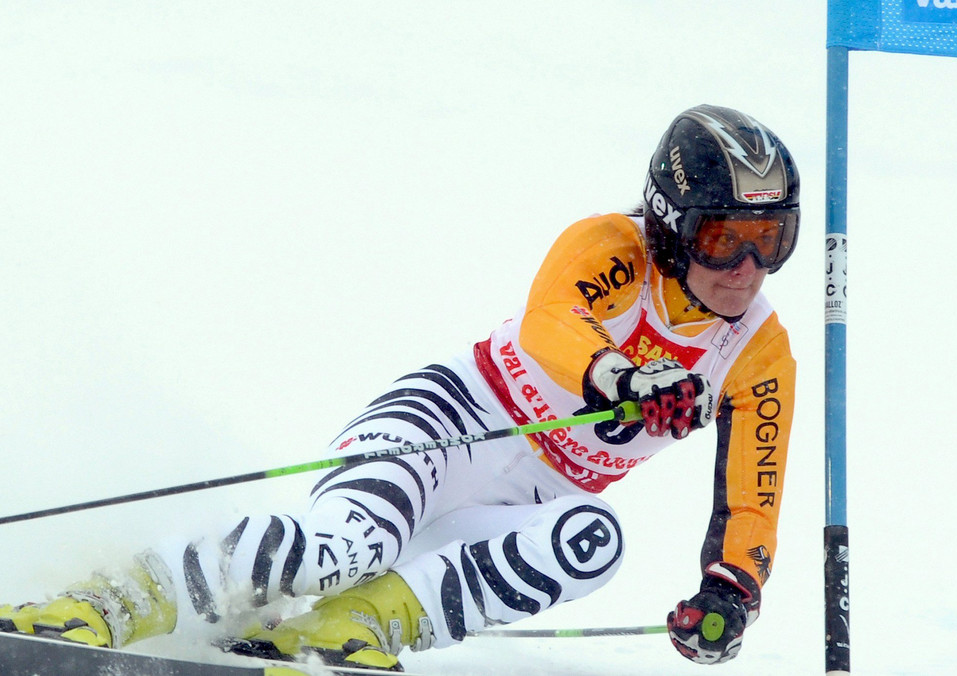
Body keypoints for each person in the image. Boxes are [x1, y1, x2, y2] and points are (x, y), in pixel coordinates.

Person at [0, 104, 799, 669]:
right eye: (725, 239)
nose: (747, 270)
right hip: (450, 426)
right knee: (345, 547)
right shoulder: (610, 248)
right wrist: (622, 374)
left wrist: (729, 593)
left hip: (524, 504)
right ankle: (101, 604)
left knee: (595, 540)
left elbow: (753, 493)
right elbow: (551, 322)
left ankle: (347, 633)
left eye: (772, 241)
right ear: (669, 223)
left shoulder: (757, 351)